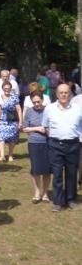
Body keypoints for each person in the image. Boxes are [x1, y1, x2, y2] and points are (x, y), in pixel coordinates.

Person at [42, 83, 82, 211]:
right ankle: (58, 202)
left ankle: (71, 199)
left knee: (71, 174)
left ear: (70, 94)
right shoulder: (49, 108)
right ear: (57, 94)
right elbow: (45, 126)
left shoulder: (78, 108)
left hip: (73, 145)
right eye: (61, 93)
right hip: (55, 145)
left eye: (66, 92)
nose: (64, 95)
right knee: (57, 174)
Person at [22, 92, 51, 203]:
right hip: (33, 143)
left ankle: (45, 194)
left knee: (47, 170)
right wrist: (38, 128)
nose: (37, 104)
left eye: (38, 101)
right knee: (35, 169)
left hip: (47, 142)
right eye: (34, 102)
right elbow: (24, 128)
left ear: (43, 100)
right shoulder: (29, 111)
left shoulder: (48, 111)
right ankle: (37, 192)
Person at [0, 81, 23, 162]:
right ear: (3, 88)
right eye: (5, 88)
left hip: (12, 121)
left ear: (11, 89)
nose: (7, 90)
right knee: (1, 137)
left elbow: (19, 110)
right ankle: (2, 155)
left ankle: (10, 155)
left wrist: (20, 122)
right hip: (1, 121)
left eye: (8, 88)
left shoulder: (14, 97)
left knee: (12, 139)